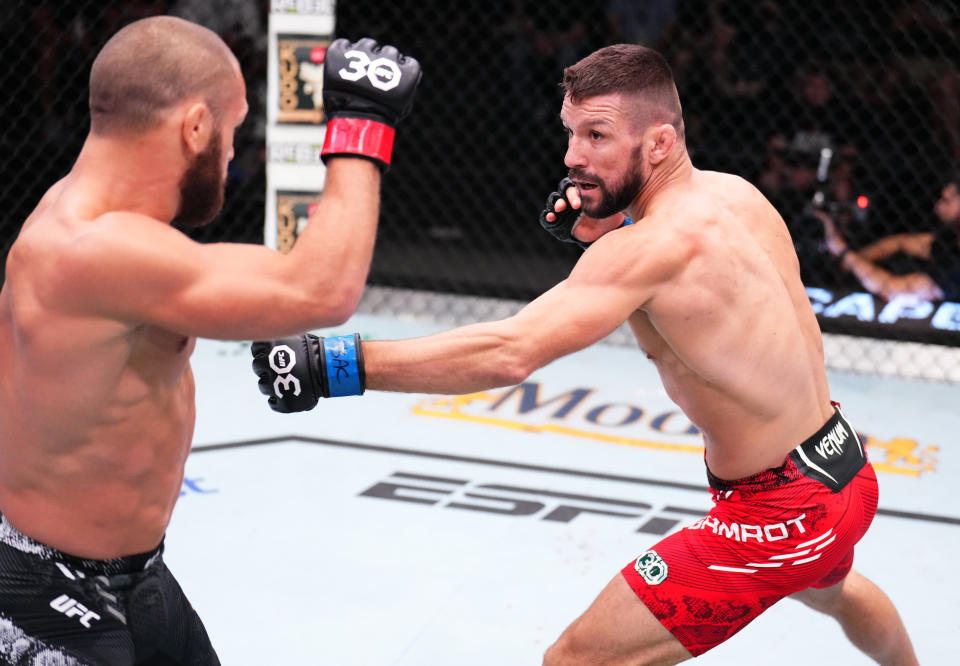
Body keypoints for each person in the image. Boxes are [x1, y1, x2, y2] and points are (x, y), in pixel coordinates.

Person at [251, 44, 917, 664]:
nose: (573, 155)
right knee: (838, 591)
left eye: (596, 136)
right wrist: (613, 227)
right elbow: (716, 306)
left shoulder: (647, 250)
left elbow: (509, 351)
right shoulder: (735, 195)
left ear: (658, 142)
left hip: (778, 515)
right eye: (570, 133)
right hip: (842, 469)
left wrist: (335, 364)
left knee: (572, 659)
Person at [0, 16, 420, 665]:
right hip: (49, 593)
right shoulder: (94, 249)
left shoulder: (98, 226)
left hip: (132, 574)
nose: (230, 153)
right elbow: (320, 290)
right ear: (195, 126)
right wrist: (362, 127)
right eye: (230, 129)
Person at [817, 173, 960, 302]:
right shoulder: (950, 239)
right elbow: (900, 242)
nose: (937, 207)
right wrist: (854, 260)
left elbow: (892, 290)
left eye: (946, 201)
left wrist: (842, 250)